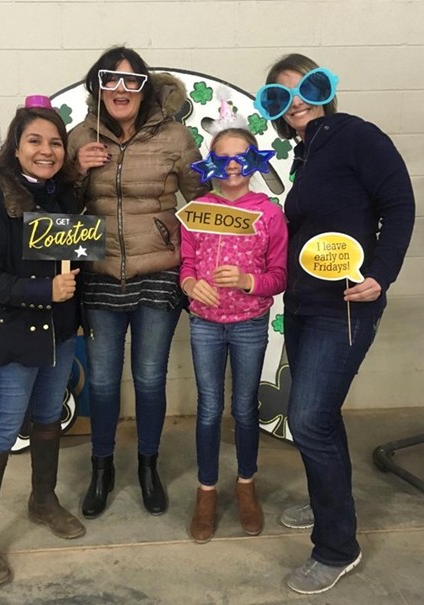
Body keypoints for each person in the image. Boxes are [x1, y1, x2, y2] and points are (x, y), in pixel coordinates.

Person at [254, 54, 415, 593]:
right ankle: (330, 503)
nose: (296, 101)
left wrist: (382, 274)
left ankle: (337, 546)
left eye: (306, 87)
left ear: (325, 90)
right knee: (320, 417)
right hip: (306, 305)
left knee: (309, 419)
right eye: (281, 95)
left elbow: (400, 204)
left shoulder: (355, 136)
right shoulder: (307, 152)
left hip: (344, 307)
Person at [68, 46, 207, 518]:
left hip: (159, 272)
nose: (121, 89)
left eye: (132, 80)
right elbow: (59, 204)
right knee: (103, 380)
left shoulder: (175, 136)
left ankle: (149, 466)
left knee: (149, 378)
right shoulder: (80, 135)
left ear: (145, 88)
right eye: (111, 79)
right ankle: (102, 468)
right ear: (98, 85)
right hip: (100, 272)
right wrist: (76, 169)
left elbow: (203, 200)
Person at [0, 96, 86, 586]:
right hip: (11, 335)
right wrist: (42, 291)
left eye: (55, 142)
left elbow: (77, 256)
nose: (46, 150)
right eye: (35, 140)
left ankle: (42, 500)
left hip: (59, 334)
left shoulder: (64, 198)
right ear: (15, 146)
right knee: (4, 431)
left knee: (50, 416)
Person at [179, 127, 288, 543]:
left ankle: (246, 484)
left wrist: (247, 281)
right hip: (205, 323)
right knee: (209, 408)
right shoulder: (196, 211)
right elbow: (186, 263)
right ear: (211, 164)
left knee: (244, 408)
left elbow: (279, 275)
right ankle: (206, 490)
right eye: (222, 158)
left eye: (240, 157)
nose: (231, 167)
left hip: (250, 323)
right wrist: (190, 284)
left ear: (254, 161)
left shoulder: (269, 213)